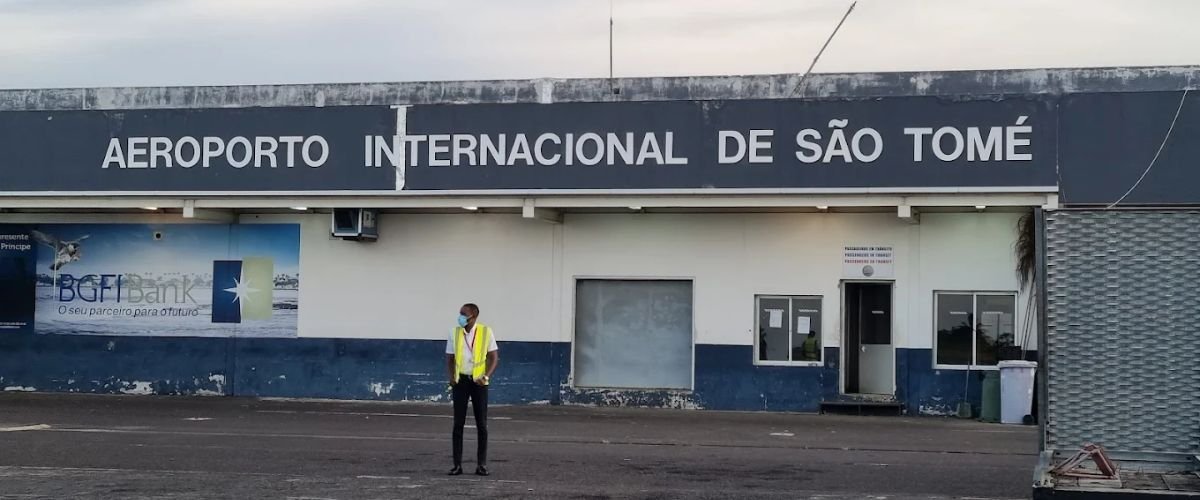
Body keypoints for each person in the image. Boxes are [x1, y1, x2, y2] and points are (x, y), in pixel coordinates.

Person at [445, 303, 499, 476]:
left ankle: (481, 464)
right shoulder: (454, 333)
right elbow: (450, 358)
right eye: (460, 313)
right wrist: (452, 376)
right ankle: (457, 465)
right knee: (457, 424)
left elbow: (494, 358)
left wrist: (486, 376)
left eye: (463, 314)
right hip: (461, 382)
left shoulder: (485, 332)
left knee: (481, 424)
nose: (460, 317)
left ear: (473, 316)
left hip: (479, 383)